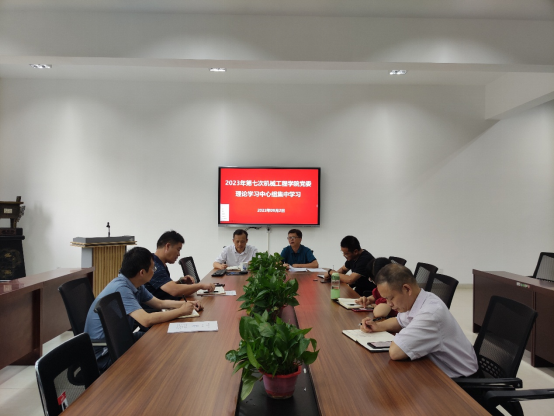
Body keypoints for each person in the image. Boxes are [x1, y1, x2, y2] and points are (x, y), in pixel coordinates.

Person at [84, 246, 202, 371]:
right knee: (161, 352)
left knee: (162, 340)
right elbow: (146, 320)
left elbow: (159, 303)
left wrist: (189, 304)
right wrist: (181, 311)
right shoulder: (121, 288)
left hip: (120, 340)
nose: (154, 271)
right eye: (153, 268)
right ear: (142, 272)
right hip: (105, 352)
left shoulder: (135, 284)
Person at [361, 263, 478, 378]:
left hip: (459, 381)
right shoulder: (415, 300)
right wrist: (377, 326)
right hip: (436, 368)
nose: (389, 304)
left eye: (391, 298)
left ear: (407, 289)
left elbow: (396, 352)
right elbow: (399, 321)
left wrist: (401, 337)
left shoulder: (430, 313)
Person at [145, 230, 215, 300]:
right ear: (168, 246)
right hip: (160, 306)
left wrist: (180, 281)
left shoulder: (158, 262)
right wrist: (200, 286)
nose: (179, 254)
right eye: (178, 249)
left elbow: (163, 286)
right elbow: (174, 290)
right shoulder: (154, 266)